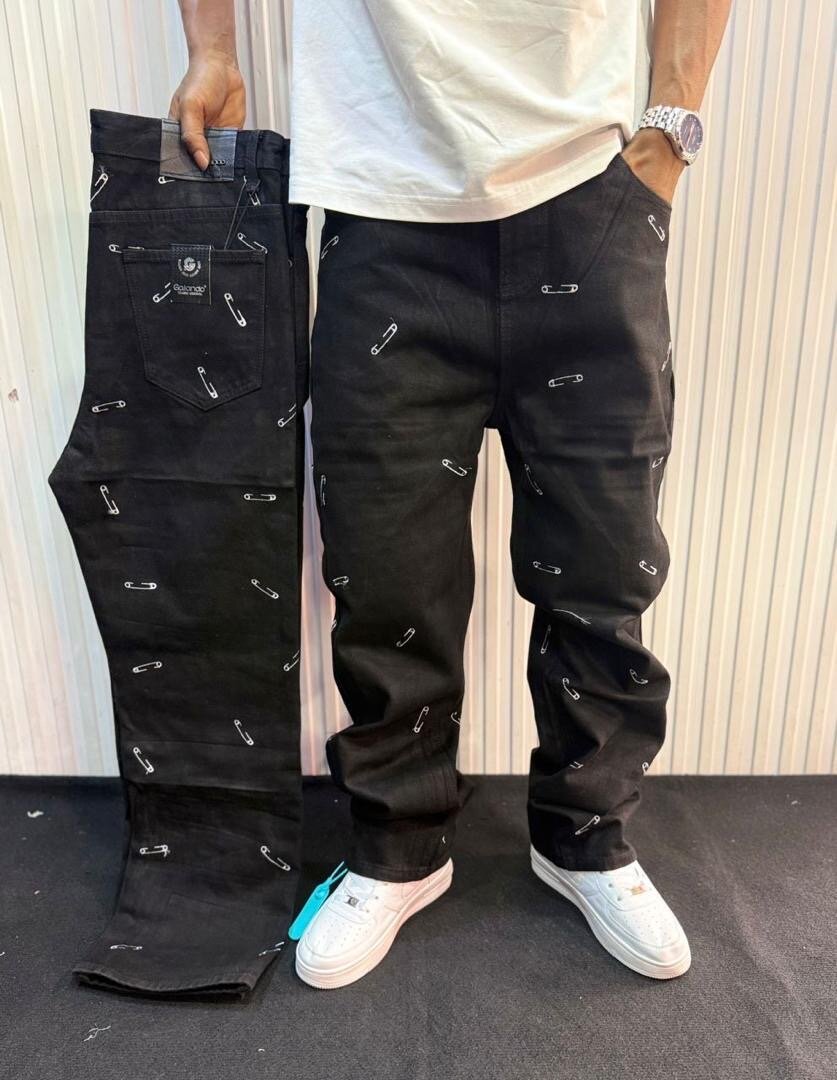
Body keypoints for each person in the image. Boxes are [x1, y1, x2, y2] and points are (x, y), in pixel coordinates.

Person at [173, 0, 732, 990]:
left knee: (605, 562)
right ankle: (400, 845)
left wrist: (670, 130)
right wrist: (212, 50)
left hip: (592, 192)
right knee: (385, 570)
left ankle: (586, 836)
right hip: (384, 203)